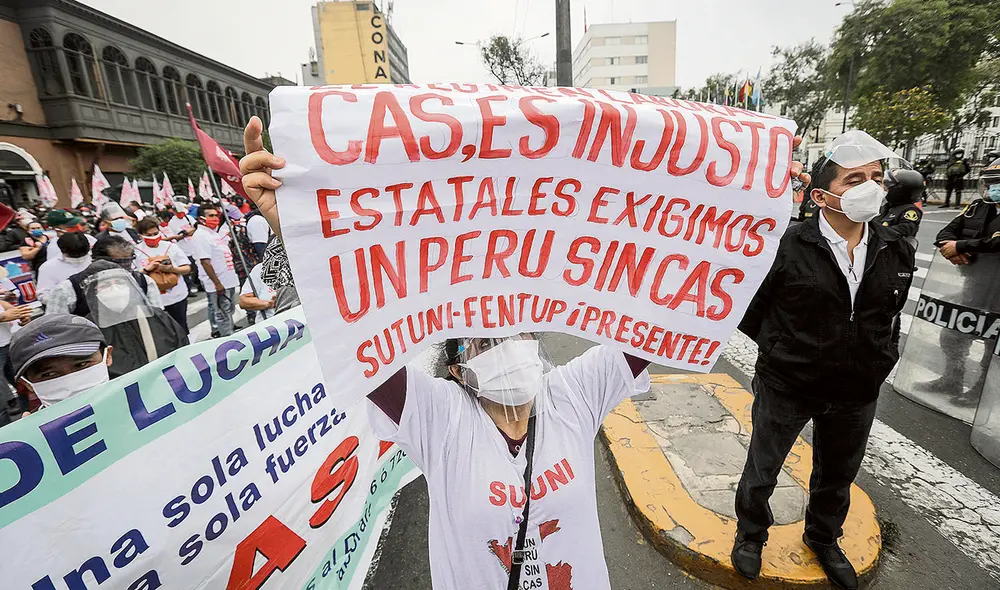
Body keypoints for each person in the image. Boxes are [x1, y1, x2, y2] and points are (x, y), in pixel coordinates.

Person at [239, 114, 813, 589]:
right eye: (487, 339)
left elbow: (665, 314)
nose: (508, 346)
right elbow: (349, 335)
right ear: (457, 363)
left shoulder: (573, 393)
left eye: (518, 333)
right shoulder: (437, 416)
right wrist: (293, 234)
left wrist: (749, 209)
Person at [732, 131, 915, 590]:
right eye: (854, 179)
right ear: (820, 195)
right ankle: (751, 534)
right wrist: (784, 353)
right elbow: (750, 313)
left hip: (857, 391)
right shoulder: (786, 245)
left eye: (876, 178)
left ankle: (823, 538)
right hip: (787, 384)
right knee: (763, 467)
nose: (869, 187)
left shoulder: (896, 247)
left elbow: (886, 316)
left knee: (838, 475)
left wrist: (877, 361)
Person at [922, 156, 1000, 402]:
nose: (991, 188)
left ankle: (982, 391)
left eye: (997, 182)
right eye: (989, 182)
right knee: (953, 331)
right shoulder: (977, 207)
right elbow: (946, 232)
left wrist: (962, 245)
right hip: (975, 284)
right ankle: (952, 379)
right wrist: (951, 246)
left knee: (993, 342)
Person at [10, 313, 113, 413]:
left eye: (82, 364)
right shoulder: (30, 429)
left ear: (107, 356)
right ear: (27, 384)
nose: (71, 384)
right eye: (48, 374)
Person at [43, 235, 164, 316]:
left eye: (127, 263)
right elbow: (57, 329)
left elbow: (158, 318)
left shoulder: (144, 282)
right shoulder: (68, 290)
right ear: (96, 260)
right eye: (116, 265)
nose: (120, 271)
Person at [134, 217, 192, 334]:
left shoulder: (171, 247)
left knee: (181, 327)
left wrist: (172, 269)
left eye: (156, 233)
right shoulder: (135, 252)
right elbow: (133, 276)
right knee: (161, 332)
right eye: (149, 235)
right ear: (140, 235)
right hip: (153, 300)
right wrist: (147, 269)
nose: (153, 237)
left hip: (176, 296)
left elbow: (187, 268)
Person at [191, 202, 239, 337]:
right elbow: (205, 262)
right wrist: (217, 283)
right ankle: (228, 339)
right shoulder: (201, 236)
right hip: (218, 282)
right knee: (222, 313)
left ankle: (230, 332)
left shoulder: (212, 233)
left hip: (227, 279)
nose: (215, 218)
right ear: (201, 219)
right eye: (211, 215)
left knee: (228, 309)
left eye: (216, 215)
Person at [36, 232, 92, 303]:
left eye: (82, 255)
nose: (79, 258)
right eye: (74, 256)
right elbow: (43, 295)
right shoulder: (48, 268)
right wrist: (68, 300)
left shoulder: (93, 259)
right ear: (63, 251)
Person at [876, 168, 924, 239]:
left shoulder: (910, 211)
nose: (884, 190)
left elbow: (903, 231)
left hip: (892, 248)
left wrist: (875, 231)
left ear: (899, 191)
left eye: (887, 188)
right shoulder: (887, 206)